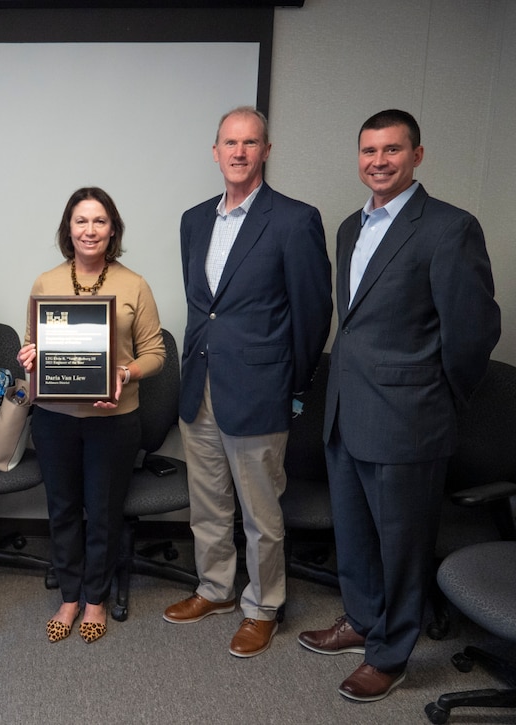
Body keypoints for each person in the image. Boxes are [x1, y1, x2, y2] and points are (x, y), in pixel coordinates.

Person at [298, 109, 500, 702]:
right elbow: (356, 325)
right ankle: (362, 623)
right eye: (368, 151)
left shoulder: (448, 227)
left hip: (408, 420)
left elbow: (473, 330)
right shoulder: (348, 228)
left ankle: (391, 655)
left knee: (404, 546)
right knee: (355, 535)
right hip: (346, 412)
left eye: (391, 150)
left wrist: (435, 397)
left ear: (417, 155)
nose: (378, 162)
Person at [162, 107, 332, 658]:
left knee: (261, 512)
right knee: (207, 501)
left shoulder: (293, 219)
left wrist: (293, 384)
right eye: (229, 143)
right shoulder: (193, 219)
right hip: (201, 385)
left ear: (266, 150)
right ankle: (214, 588)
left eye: (250, 142)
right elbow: (203, 309)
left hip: (260, 390)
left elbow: (312, 314)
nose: (238, 152)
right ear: (215, 152)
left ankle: (262, 605)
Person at [18, 187, 165, 644]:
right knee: (62, 509)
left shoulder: (134, 284)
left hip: (114, 418)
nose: (90, 230)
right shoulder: (46, 283)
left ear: (113, 229)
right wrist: (29, 356)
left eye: (99, 221)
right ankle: (69, 593)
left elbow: (156, 352)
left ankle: (96, 598)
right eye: (81, 221)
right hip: (54, 417)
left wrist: (126, 370)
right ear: (68, 229)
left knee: (102, 512)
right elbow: (33, 343)